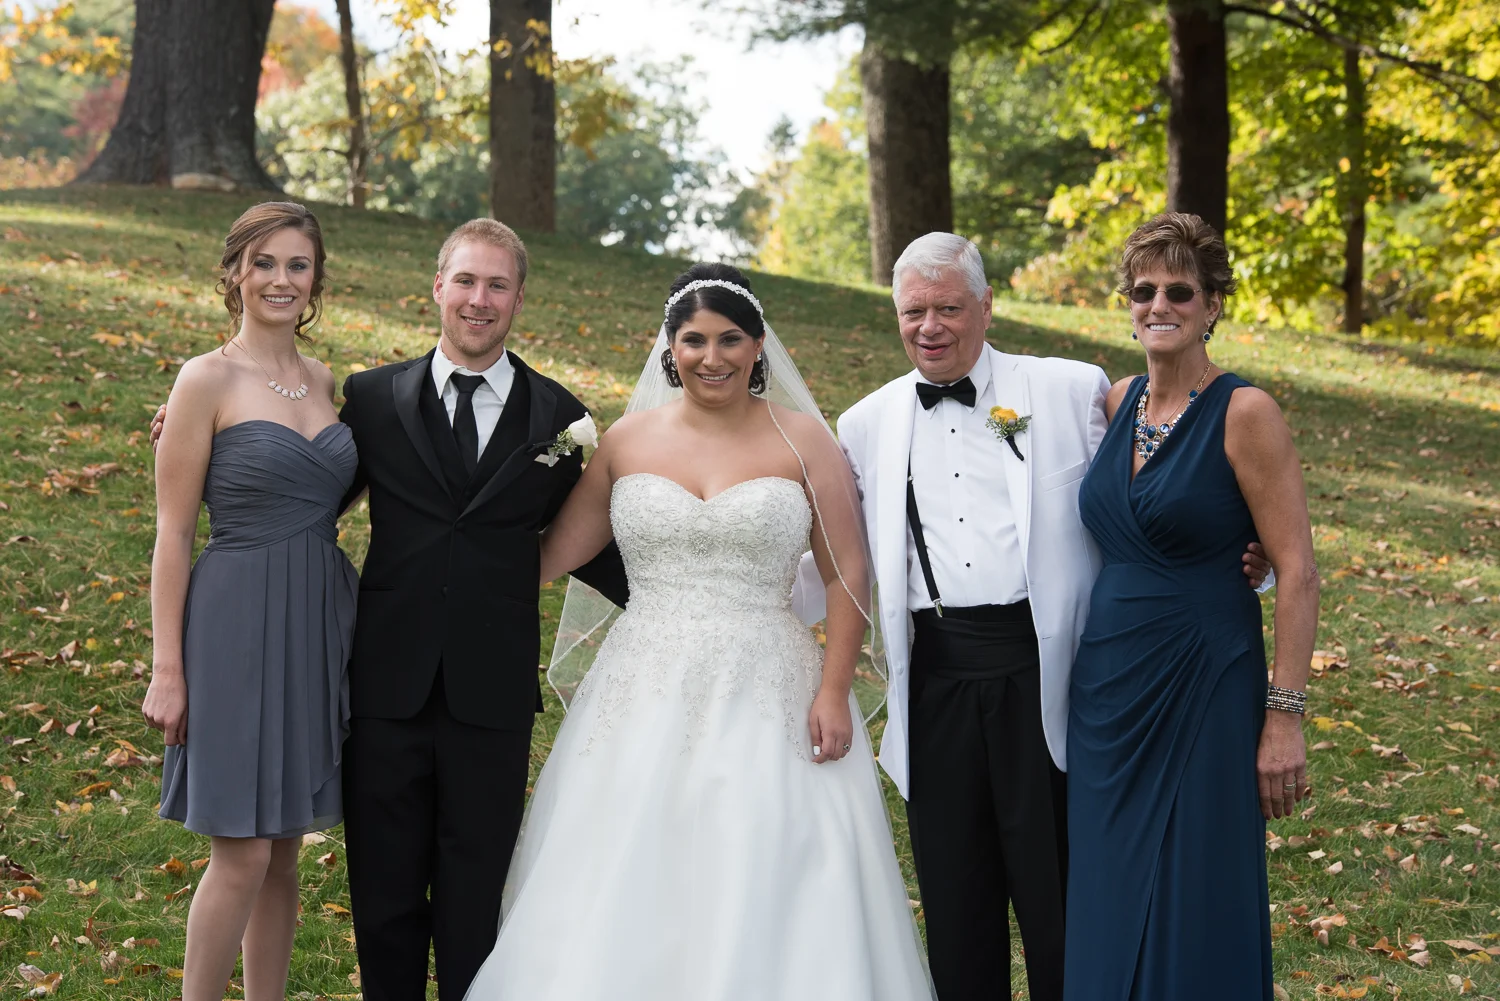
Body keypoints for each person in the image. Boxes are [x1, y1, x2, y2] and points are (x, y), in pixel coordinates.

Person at [152, 217, 628, 1001]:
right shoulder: (372, 397)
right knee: (382, 899)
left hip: (487, 686)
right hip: (379, 678)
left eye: (497, 285)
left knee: (472, 900)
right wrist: (189, 438)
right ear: (437, 286)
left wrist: (687, 581)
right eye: (465, 281)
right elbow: (292, 489)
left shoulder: (561, 419)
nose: (479, 300)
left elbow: (593, 530)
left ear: (517, 298)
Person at [462, 263, 935, 1000]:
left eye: (729, 339)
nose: (711, 357)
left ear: (757, 348)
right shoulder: (626, 440)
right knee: (628, 856)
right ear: (669, 348)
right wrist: (476, 530)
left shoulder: (804, 439)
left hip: (768, 681)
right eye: (694, 340)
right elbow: (553, 555)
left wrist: (836, 689)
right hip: (643, 679)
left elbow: (848, 575)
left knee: (764, 852)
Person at [833, 233, 1271, 1001]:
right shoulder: (865, 423)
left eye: (948, 308)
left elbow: (1154, 493)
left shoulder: (1072, 389)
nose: (930, 326)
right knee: (956, 903)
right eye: (913, 311)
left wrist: (1249, 561)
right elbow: (840, 556)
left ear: (987, 305)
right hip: (934, 674)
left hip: (1050, 672)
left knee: (1059, 902)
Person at [1063, 212, 1318, 1000]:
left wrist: (1284, 714)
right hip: (1107, 688)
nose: (1158, 304)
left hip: (1207, 679)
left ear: (1212, 305)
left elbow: (1298, 569)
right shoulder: (1112, 402)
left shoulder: (1247, 413)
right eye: (1143, 290)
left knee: (1199, 882)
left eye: (1180, 289)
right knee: (1103, 884)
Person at [145, 201, 358, 1001]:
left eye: (297, 265)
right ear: (234, 271)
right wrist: (168, 668)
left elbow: (331, 490)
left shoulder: (329, 383)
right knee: (240, 851)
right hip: (231, 621)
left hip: (313, 623)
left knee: (285, 847)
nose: (280, 279)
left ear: (315, 282)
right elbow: (171, 535)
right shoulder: (204, 378)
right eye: (264, 262)